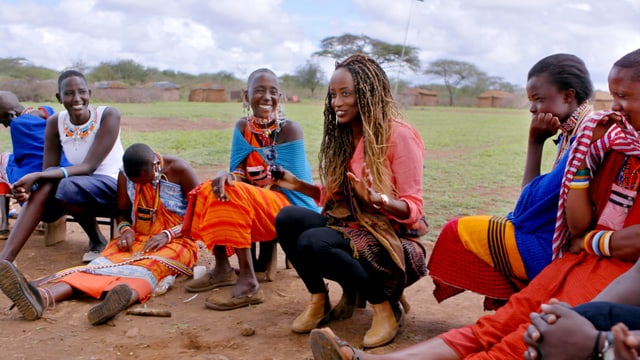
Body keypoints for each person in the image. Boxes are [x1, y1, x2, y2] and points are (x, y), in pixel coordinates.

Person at [307, 48, 640, 359]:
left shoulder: (597, 136)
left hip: (601, 266)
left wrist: (589, 241)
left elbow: (533, 212)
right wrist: (580, 161)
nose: (613, 108)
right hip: (579, 259)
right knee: (498, 325)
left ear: (568, 97)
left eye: (623, 97)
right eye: (612, 97)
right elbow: (570, 220)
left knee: (523, 336)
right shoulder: (604, 142)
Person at [275, 54, 427, 349]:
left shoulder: (399, 135)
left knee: (312, 242)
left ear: (368, 94)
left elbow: (413, 207)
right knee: (288, 218)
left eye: (346, 93)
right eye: (333, 94)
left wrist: (378, 199)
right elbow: (334, 197)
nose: (337, 102)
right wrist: (295, 184)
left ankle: (385, 308)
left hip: (386, 237)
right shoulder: (344, 136)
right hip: (349, 225)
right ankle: (318, 299)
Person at [428, 53, 594, 310]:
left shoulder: (585, 137)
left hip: (557, 249)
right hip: (551, 238)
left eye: (539, 99)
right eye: (531, 101)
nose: (532, 109)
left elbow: (525, 211)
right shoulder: (571, 133)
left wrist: (534, 143)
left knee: (456, 231)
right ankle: (517, 307)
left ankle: (520, 306)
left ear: (568, 96)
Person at [0, 143, 200, 325]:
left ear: (156, 165)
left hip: (179, 239)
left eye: (145, 181)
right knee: (100, 264)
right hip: (138, 236)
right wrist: (125, 230)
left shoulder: (179, 170)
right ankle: (42, 297)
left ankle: (120, 299)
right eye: (135, 183)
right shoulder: (125, 174)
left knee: (151, 266)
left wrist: (167, 235)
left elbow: (199, 215)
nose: (141, 186)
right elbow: (121, 212)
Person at [181, 68, 318, 310]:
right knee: (209, 188)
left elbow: (295, 186)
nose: (267, 97)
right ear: (246, 96)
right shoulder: (243, 127)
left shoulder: (289, 130)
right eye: (260, 91)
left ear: (281, 97)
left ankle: (249, 282)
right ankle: (222, 267)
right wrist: (228, 175)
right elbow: (240, 173)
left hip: (289, 207)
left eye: (273, 92)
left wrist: (250, 189)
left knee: (235, 192)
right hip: (257, 201)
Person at [0, 70, 124, 263]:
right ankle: (6, 260)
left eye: (81, 92)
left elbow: (89, 167)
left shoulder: (108, 115)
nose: (76, 98)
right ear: (59, 97)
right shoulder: (55, 122)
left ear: (89, 93)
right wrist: (31, 190)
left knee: (64, 184)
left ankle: (97, 240)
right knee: (51, 181)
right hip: (77, 187)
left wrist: (38, 176)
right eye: (69, 93)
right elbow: (49, 170)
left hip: (113, 188)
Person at [0, 91, 71, 240]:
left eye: (2, 120)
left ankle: (4, 224)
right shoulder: (47, 111)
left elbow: (21, 158)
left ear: (11, 115)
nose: (4, 125)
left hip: (37, 177)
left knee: (2, 161)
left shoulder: (17, 125)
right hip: (63, 168)